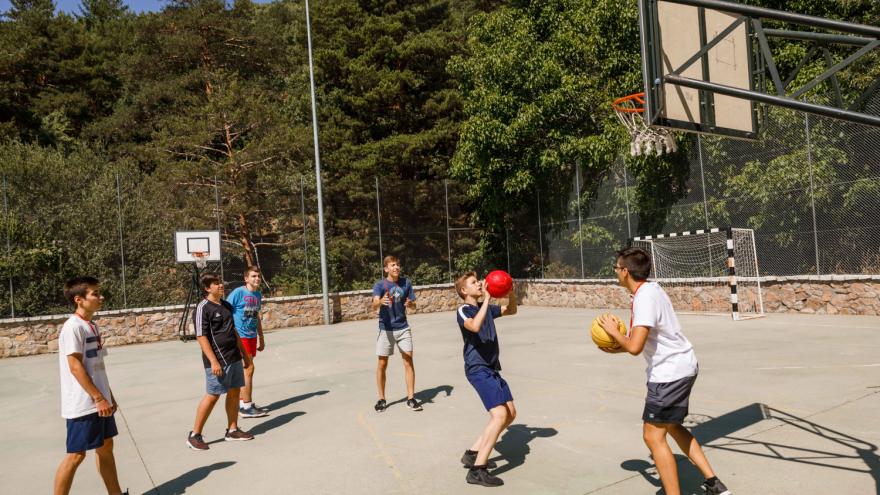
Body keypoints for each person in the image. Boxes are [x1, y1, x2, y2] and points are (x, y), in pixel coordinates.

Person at [599, 247, 732, 495]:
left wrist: (613, 332)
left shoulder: (644, 298)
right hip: (682, 366)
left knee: (652, 437)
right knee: (671, 426)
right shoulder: (652, 289)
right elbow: (647, 341)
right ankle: (714, 483)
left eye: (617, 268)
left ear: (625, 272)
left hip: (669, 374)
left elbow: (636, 346)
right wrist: (616, 348)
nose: (616, 272)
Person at [54, 276, 127, 495]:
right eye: (95, 294)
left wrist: (108, 395)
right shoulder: (73, 327)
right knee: (76, 455)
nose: (100, 297)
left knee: (105, 448)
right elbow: (75, 365)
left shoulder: (91, 325)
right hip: (84, 404)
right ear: (79, 299)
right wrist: (97, 397)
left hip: (100, 400)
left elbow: (96, 365)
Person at [454, 271, 517, 487]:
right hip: (477, 369)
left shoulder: (486, 309)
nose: (480, 283)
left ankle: (472, 453)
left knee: (510, 414)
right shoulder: (463, 310)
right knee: (499, 415)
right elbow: (473, 326)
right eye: (474, 282)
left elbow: (511, 310)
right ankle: (477, 470)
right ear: (464, 291)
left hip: (491, 368)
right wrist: (488, 298)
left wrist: (510, 293)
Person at [186, 273, 255, 450]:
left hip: (234, 357)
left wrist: (245, 355)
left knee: (234, 393)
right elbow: (201, 337)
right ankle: (195, 435)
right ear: (207, 288)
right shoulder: (203, 308)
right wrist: (214, 361)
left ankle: (232, 430)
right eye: (216, 284)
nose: (221, 285)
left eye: (221, 282)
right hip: (217, 360)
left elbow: (233, 331)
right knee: (213, 395)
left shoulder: (226, 306)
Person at [370, 255, 421, 412]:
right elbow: (374, 305)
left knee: (408, 361)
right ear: (386, 269)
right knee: (382, 364)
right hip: (386, 329)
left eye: (398, 265)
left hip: (403, 328)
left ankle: (411, 398)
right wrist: (380, 302)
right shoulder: (380, 285)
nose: (396, 267)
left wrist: (411, 304)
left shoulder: (406, 283)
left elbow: (413, 306)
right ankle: (382, 399)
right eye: (393, 265)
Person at [227, 266, 269, 418]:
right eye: (253, 276)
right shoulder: (238, 292)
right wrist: (231, 334)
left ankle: (242, 402)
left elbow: (255, 316)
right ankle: (246, 407)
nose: (257, 278)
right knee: (249, 368)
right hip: (240, 337)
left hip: (252, 336)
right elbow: (226, 311)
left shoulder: (257, 294)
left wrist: (261, 337)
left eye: (258, 276)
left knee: (246, 370)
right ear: (246, 278)